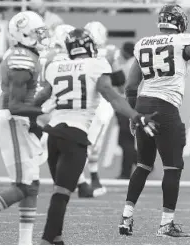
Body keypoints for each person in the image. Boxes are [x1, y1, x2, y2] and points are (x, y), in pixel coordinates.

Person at [36, 28, 159, 244]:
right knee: (61, 193)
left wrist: (20, 113)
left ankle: (55, 237)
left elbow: (40, 98)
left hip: (54, 134)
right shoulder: (96, 64)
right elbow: (111, 96)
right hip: (74, 135)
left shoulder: (55, 66)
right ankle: (47, 239)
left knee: (61, 193)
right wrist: (136, 116)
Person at [118, 3, 190, 237]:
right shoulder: (182, 41)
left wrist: (132, 113)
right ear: (179, 23)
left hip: (143, 104)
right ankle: (166, 224)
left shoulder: (142, 44)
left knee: (143, 164)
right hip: (164, 107)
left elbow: (130, 85)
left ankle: (126, 218)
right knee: (173, 166)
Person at [0, 11, 55, 245]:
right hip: (13, 122)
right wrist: (46, 114)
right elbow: (16, 106)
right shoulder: (21, 57)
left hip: (20, 121)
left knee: (32, 185)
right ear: (24, 33)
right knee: (22, 186)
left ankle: (24, 242)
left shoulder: (27, 54)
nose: (41, 36)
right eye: (37, 32)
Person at [76, 21, 126, 198]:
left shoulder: (78, 54)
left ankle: (89, 178)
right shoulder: (111, 52)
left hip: (82, 99)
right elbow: (119, 80)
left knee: (87, 142)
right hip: (102, 102)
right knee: (91, 143)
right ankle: (81, 179)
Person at [115, 41, 137, 179]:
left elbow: (121, 87)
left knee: (125, 140)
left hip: (126, 103)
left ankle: (127, 171)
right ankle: (137, 164)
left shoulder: (127, 66)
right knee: (126, 140)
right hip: (136, 103)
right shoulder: (137, 63)